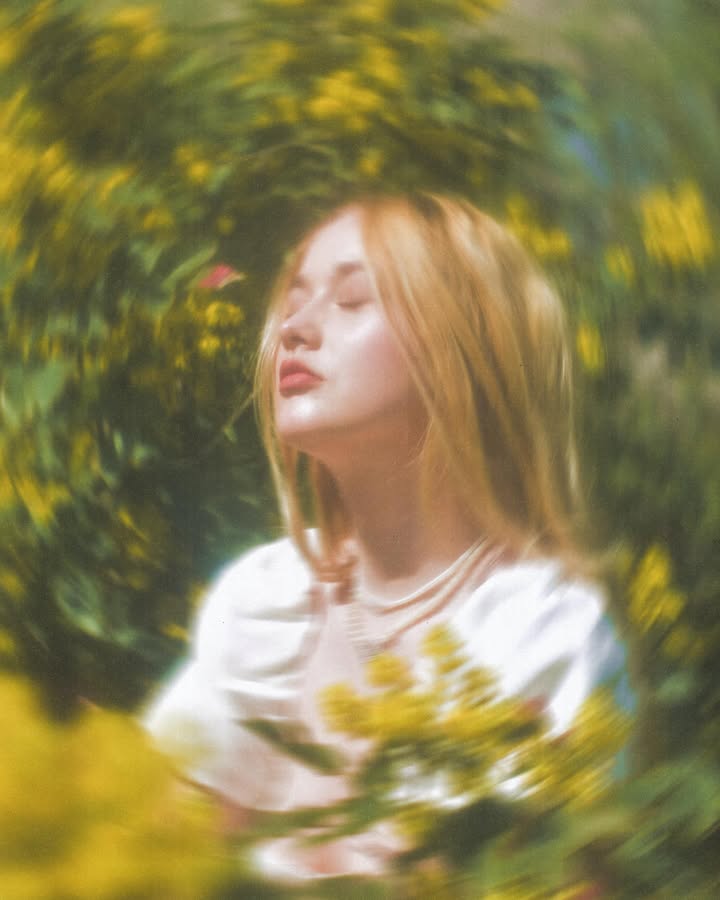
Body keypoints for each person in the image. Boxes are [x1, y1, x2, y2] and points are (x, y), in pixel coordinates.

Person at [143, 193, 629, 879]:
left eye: (351, 299)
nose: (294, 328)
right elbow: (146, 861)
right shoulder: (265, 600)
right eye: (296, 298)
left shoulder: (544, 634)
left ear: (466, 347)